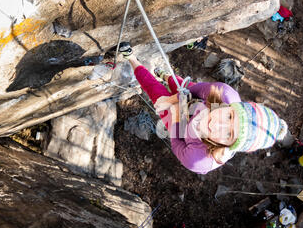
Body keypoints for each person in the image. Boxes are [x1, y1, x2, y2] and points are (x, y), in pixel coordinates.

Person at [108, 42, 288, 174]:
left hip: (179, 126)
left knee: (153, 89)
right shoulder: (225, 96)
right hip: (196, 102)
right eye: (230, 117)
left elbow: (177, 143)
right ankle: (164, 74)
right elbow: (192, 89)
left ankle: (131, 58)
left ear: (229, 146)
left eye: (229, 135)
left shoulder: (199, 159)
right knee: (177, 84)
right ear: (231, 107)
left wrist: (177, 117)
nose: (217, 125)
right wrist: (175, 98)